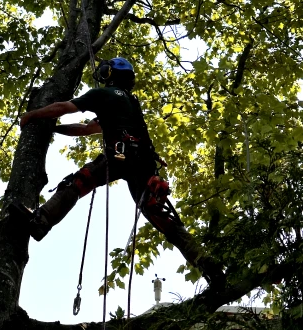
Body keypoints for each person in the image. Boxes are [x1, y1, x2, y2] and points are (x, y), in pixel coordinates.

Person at [15, 57, 224, 287]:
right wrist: (53, 128)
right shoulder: (129, 104)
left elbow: (64, 108)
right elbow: (86, 129)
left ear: (111, 74)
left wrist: (33, 116)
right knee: (162, 218)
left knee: (79, 182)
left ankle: (42, 220)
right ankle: (205, 263)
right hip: (143, 164)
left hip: (118, 156)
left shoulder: (103, 95)